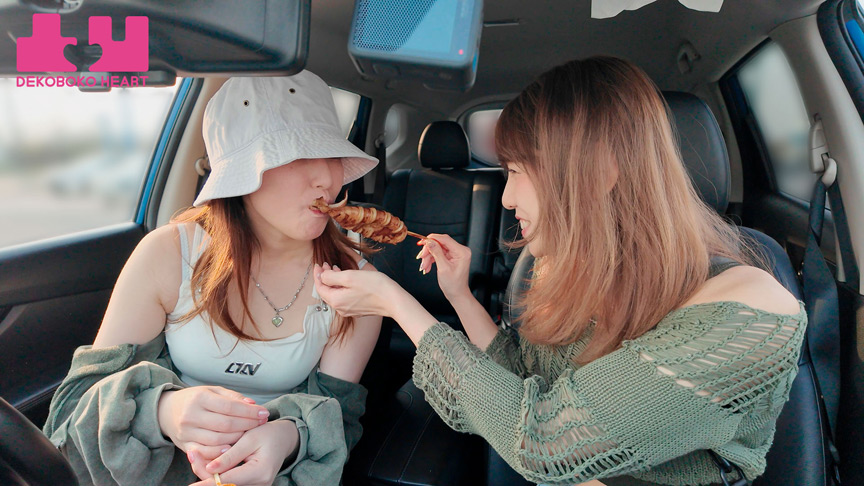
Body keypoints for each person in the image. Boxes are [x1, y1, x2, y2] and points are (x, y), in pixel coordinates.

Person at [313, 57, 807, 486]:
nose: (507, 197)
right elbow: (518, 375)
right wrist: (459, 294)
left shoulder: (747, 311)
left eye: (517, 171)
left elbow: (546, 440)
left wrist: (397, 304)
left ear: (600, 169)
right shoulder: (567, 267)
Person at [43, 72, 383, 486]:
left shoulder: (355, 285)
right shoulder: (170, 253)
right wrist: (163, 412)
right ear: (241, 173)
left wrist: (289, 438)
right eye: (297, 156)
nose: (326, 180)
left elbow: (338, 417)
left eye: (330, 155)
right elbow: (74, 409)